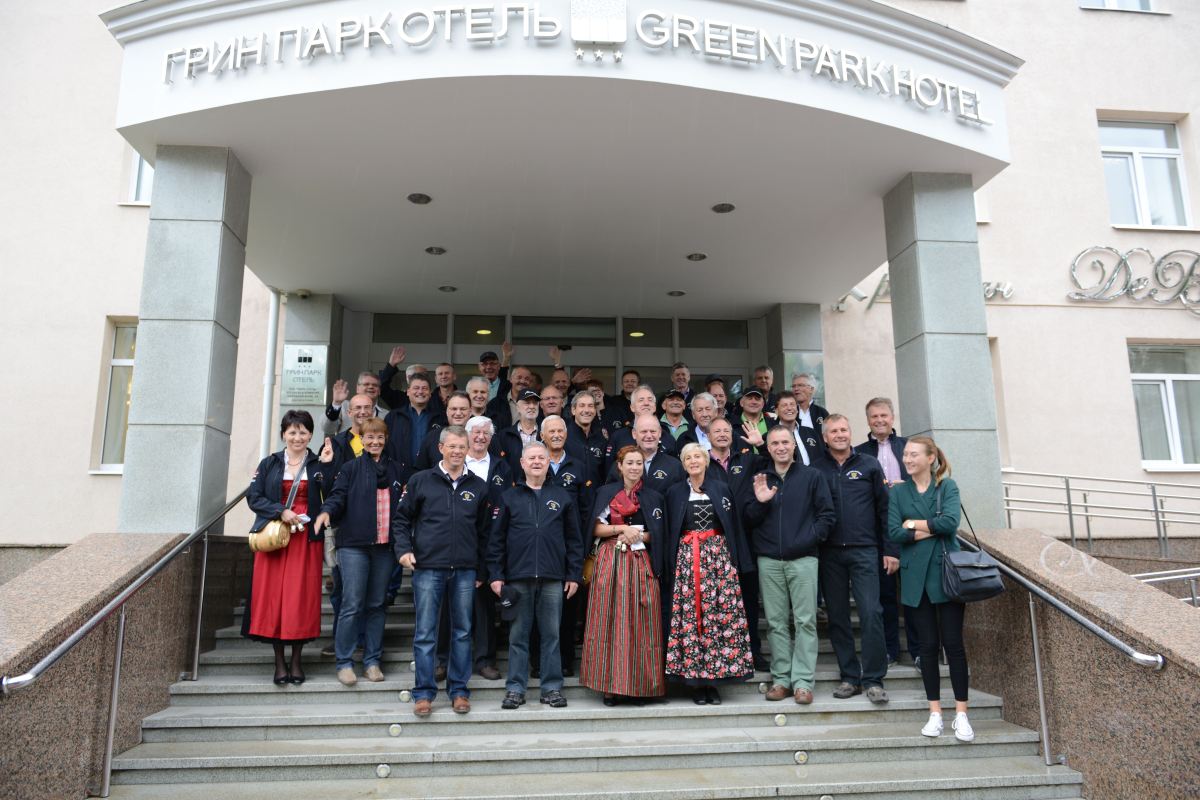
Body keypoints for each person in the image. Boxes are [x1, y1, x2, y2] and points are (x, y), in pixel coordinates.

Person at [392, 425, 491, 717]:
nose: (457, 452)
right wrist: (403, 550)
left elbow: (485, 533)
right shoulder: (420, 481)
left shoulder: (478, 486)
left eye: (462, 447)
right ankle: (423, 693)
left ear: (468, 449)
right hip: (428, 567)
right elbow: (401, 520)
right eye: (452, 446)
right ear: (441, 448)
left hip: (465, 569)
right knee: (425, 633)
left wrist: (482, 569)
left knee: (462, 632)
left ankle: (459, 691)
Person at [887, 437, 973, 742]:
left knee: (954, 644)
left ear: (930, 457)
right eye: (905, 455)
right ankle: (935, 712)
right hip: (915, 578)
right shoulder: (898, 492)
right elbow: (894, 532)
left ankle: (961, 713)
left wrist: (912, 524)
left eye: (914, 454)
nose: (907, 459)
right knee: (926, 647)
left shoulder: (946, 487)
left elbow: (950, 523)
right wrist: (928, 527)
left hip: (946, 576)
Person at [744, 427, 836, 704]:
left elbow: (827, 516)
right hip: (769, 560)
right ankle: (781, 679)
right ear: (768, 448)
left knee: (806, 621)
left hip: (803, 559)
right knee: (775, 623)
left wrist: (807, 540)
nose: (781, 447)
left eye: (785, 442)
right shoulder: (760, 477)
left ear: (794, 445)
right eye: (775, 443)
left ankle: (803, 682)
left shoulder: (812, 476)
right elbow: (748, 518)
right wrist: (761, 503)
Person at [489, 442, 583, 710]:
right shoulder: (509, 497)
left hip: (553, 577)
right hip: (518, 577)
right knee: (518, 636)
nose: (537, 462)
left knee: (551, 635)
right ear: (522, 463)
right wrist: (496, 575)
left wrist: (573, 574)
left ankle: (551, 688)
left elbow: (574, 540)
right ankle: (515, 688)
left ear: (548, 462)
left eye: (541, 458)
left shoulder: (562, 497)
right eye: (531, 458)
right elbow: (496, 540)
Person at [312, 417, 405, 687]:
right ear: (361, 440)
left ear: (386, 440)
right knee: (352, 604)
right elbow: (337, 496)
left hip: (385, 548)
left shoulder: (397, 470)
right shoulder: (350, 468)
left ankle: (372, 661)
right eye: (370, 437)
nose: (375, 441)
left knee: (377, 605)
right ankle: (344, 662)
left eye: (380, 437)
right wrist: (326, 512)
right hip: (353, 546)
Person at [245, 410, 336, 685]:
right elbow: (254, 497)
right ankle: (279, 662)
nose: (298, 437)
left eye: (303, 432)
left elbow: (334, 495)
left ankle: (296, 661)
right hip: (274, 538)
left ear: (311, 435)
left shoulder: (319, 463)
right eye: (292, 432)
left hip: (305, 540)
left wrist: (328, 468)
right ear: (284, 434)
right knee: (273, 598)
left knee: (300, 599)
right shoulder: (269, 463)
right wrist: (280, 511)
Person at [662, 442, 756, 705]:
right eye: (688, 458)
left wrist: (738, 561)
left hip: (717, 560)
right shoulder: (674, 492)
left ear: (705, 461)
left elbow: (734, 526)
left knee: (717, 616)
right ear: (683, 464)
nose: (693, 461)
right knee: (691, 618)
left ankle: (714, 681)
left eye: (697, 457)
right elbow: (669, 530)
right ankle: (695, 682)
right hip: (687, 560)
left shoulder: (721, 488)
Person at [811, 414, 894, 705]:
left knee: (871, 612)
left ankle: (873, 679)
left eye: (844, 429)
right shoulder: (816, 469)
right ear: (825, 437)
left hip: (865, 550)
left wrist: (890, 549)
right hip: (830, 553)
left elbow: (885, 509)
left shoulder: (869, 465)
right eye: (833, 431)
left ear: (850, 432)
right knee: (837, 617)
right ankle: (849, 677)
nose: (840, 434)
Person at [580, 446, 667, 705]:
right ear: (619, 466)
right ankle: (609, 687)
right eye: (629, 462)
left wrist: (638, 535)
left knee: (642, 623)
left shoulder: (653, 497)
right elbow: (595, 528)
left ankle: (639, 686)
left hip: (641, 563)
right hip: (611, 561)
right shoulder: (606, 493)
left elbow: (659, 533)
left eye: (638, 463)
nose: (634, 467)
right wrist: (621, 529)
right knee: (608, 622)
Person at [702, 417, 768, 672]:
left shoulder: (747, 460)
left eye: (726, 431)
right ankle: (720, 653)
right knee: (716, 602)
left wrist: (760, 445)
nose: (722, 434)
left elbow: (774, 465)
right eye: (716, 431)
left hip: (745, 541)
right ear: (708, 436)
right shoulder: (702, 461)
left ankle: (753, 652)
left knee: (748, 600)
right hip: (714, 542)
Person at [857, 396, 914, 666]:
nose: (879, 420)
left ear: (892, 418)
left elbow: (926, 479)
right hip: (879, 531)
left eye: (884, 415)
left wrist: (906, 486)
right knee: (886, 595)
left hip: (911, 528)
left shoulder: (909, 447)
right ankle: (890, 650)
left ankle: (918, 651)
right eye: (874, 416)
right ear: (868, 421)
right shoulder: (859, 453)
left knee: (913, 596)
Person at [606, 414, 685, 495]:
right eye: (644, 431)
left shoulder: (675, 466)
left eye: (653, 431)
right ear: (634, 434)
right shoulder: (621, 465)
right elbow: (609, 496)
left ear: (660, 433)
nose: (649, 436)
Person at [414, 391, 472, 470]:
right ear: (447, 411)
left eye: (463, 409)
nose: (458, 413)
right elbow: (420, 471)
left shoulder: (479, 438)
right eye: (454, 409)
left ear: (470, 411)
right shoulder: (432, 438)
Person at [322, 371, 386, 436]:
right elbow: (328, 429)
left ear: (379, 391)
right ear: (357, 388)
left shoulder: (386, 415)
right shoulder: (344, 406)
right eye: (366, 384)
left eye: (375, 385)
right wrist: (336, 404)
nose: (371, 387)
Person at [495, 389, 542, 477]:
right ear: (517, 407)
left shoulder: (545, 434)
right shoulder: (504, 435)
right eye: (527, 403)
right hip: (513, 484)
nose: (532, 406)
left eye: (535, 403)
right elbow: (501, 465)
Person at [768, 392, 820, 466]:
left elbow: (822, 458)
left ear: (797, 409)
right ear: (776, 411)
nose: (789, 408)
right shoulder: (770, 436)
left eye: (792, 404)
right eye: (784, 405)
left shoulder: (812, 433)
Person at [486, 363, 535, 430]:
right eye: (519, 377)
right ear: (511, 379)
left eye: (526, 379)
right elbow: (491, 428)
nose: (522, 381)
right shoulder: (495, 403)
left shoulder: (535, 404)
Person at [791, 373, 829, 449]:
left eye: (800, 385)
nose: (796, 389)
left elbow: (829, 436)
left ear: (811, 389)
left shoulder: (822, 413)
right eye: (794, 386)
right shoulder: (790, 412)